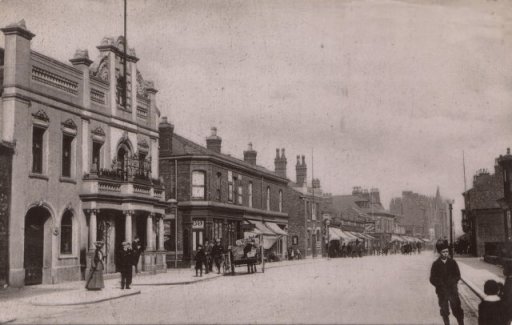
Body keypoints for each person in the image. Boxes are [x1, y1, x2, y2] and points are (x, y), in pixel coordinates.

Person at [430, 241, 464, 325]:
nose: (445, 254)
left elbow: (458, 275)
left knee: (457, 309)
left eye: (447, 251)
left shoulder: (452, 262)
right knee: (444, 311)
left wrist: (452, 282)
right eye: (443, 252)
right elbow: (432, 278)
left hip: (453, 290)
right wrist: (439, 284)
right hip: (442, 291)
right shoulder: (435, 264)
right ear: (439, 252)